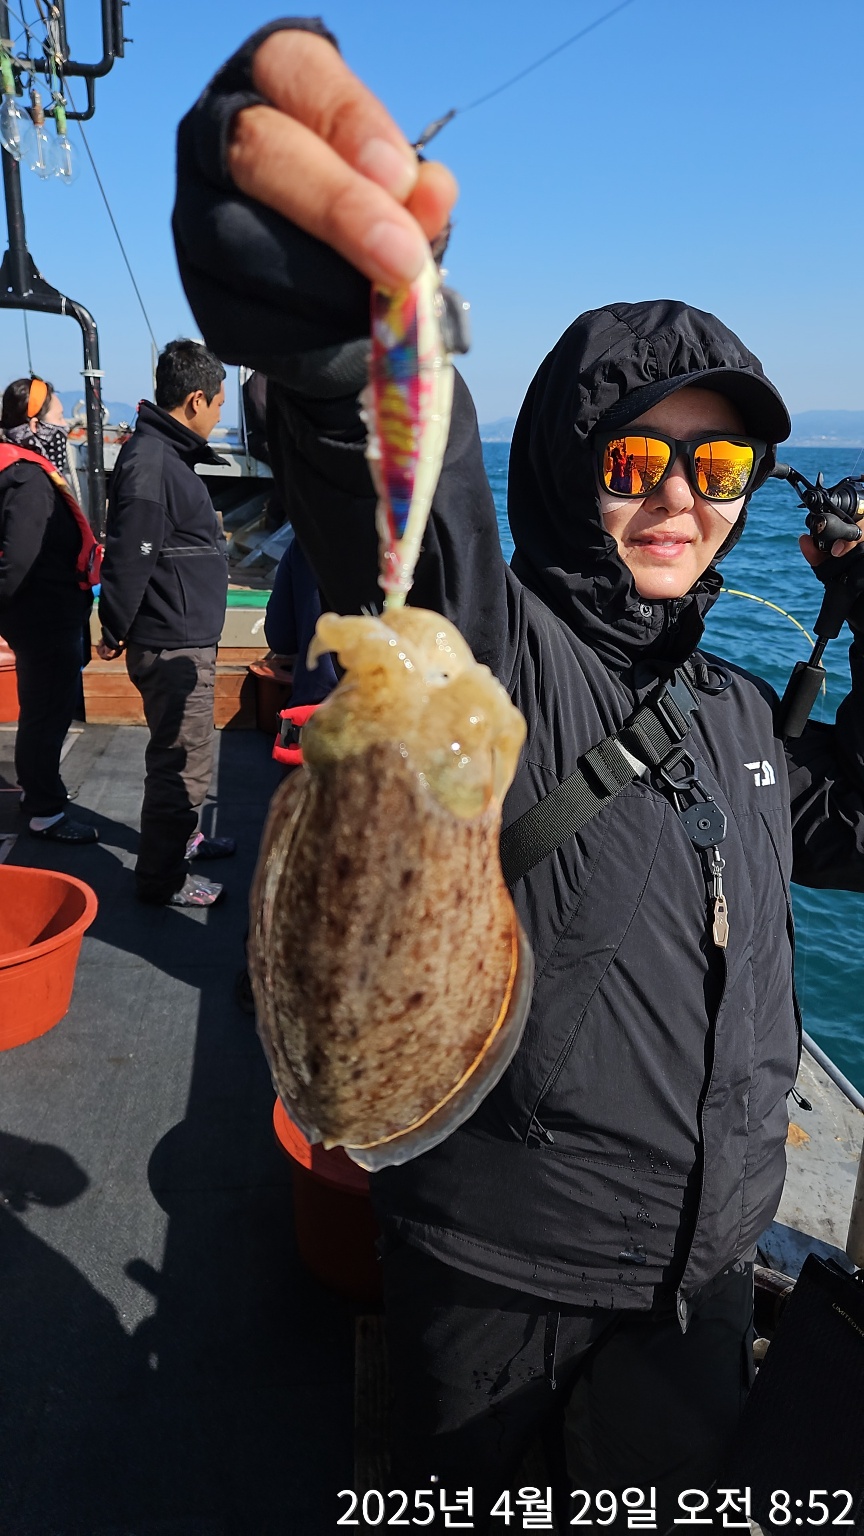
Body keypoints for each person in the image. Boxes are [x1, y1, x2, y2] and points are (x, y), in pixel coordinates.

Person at [173, 24, 864, 1529]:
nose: (679, 498)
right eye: (633, 462)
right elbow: (409, 546)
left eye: (719, 470)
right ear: (568, 466)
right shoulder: (499, 660)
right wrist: (337, 348)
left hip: (702, 1277)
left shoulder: (742, 711)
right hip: (502, 1280)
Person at [96, 340, 236, 907]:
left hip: (183, 636)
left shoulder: (164, 455)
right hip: (173, 645)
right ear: (196, 399)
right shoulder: (153, 462)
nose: (220, 416)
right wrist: (113, 626)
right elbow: (131, 551)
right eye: (219, 404)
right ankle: (162, 879)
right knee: (183, 765)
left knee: (185, 754)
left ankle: (185, 840)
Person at [0, 408, 97, 843]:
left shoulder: (14, 474)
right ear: (35, 424)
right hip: (45, 618)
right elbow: (19, 559)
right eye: (57, 414)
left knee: (40, 709)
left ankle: (36, 789)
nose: (63, 424)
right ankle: (45, 810)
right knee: (47, 713)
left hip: (35, 615)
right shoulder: (30, 481)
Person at [1, 376, 71, 474]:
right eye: (59, 418)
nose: (66, 426)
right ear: (35, 425)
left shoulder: (7, 465)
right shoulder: (34, 477)